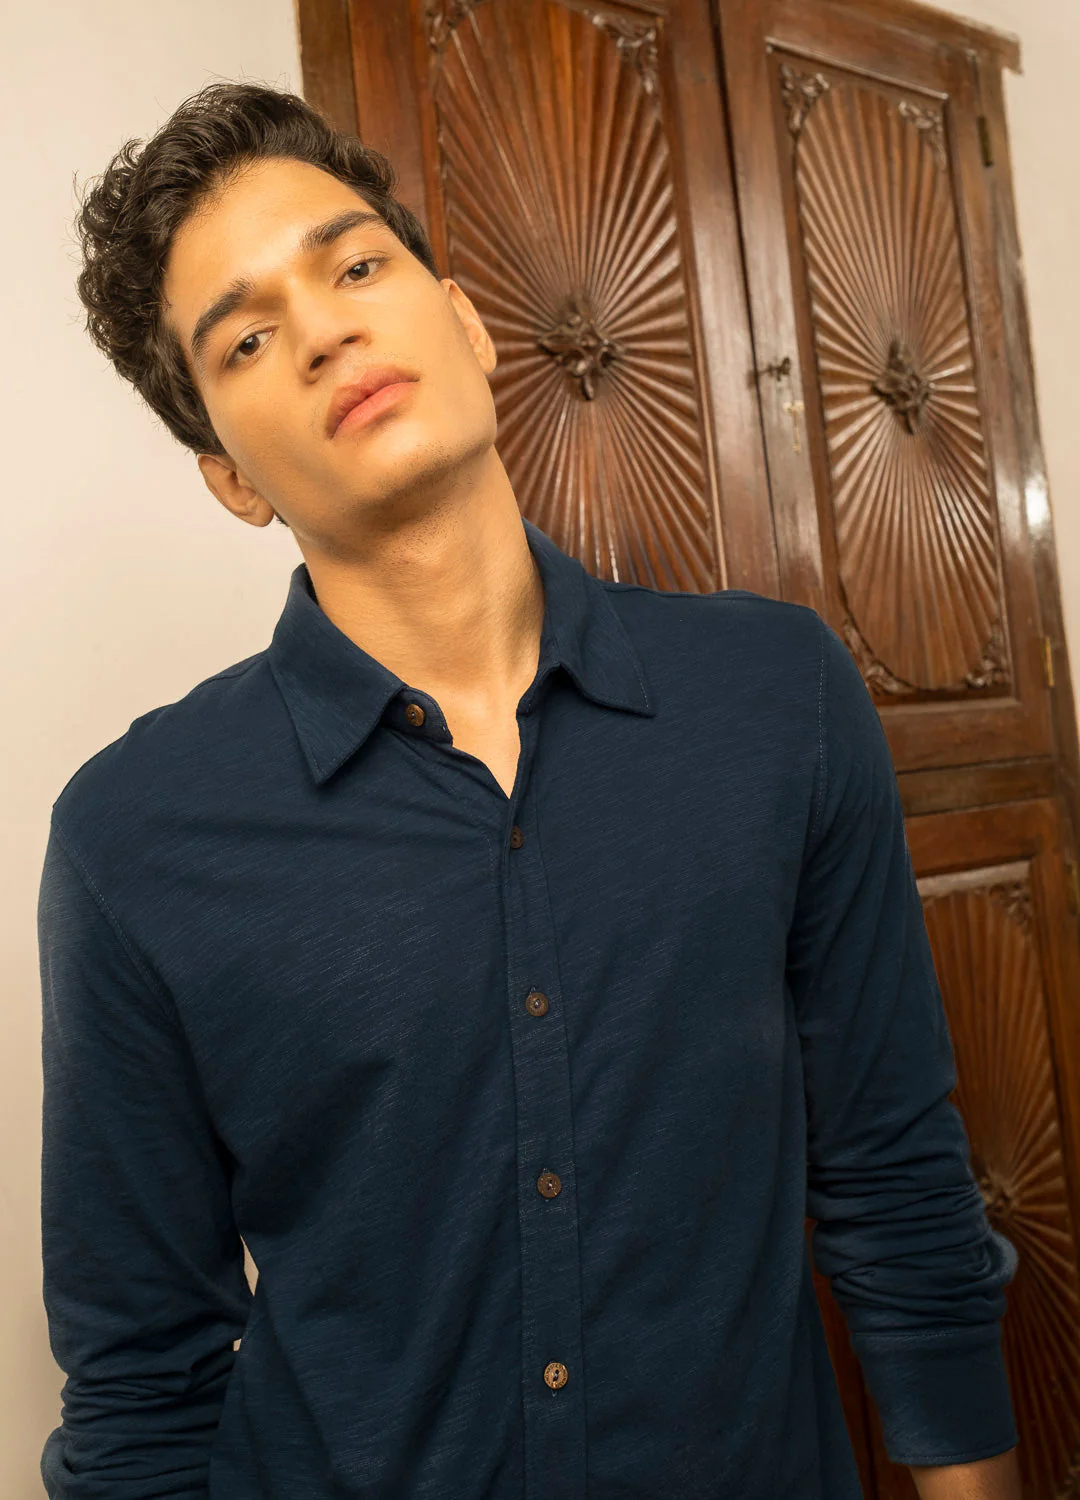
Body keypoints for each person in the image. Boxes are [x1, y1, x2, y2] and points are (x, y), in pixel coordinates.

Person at [39, 80, 1021, 1499]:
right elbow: (143, 1379)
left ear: (467, 323)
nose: (323, 332)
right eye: (247, 338)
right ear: (229, 480)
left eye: (355, 267)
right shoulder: (133, 839)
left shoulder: (779, 698)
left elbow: (894, 1176)